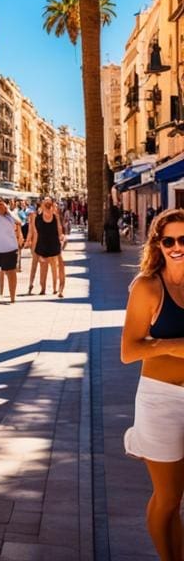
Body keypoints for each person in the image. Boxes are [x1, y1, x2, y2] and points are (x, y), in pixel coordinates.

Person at [121, 208, 184, 560]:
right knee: (169, 497)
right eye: (169, 240)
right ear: (158, 245)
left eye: (183, 239)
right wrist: (176, 347)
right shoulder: (147, 287)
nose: (177, 247)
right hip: (161, 401)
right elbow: (129, 351)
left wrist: (162, 347)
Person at [27, 197, 66, 297]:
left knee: (60, 266)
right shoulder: (38, 217)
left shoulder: (56, 216)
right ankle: (43, 289)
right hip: (43, 245)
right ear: (42, 205)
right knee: (43, 268)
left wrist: (61, 237)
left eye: (49, 202)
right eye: (45, 202)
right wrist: (31, 241)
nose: (48, 204)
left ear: (52, 205)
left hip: (54, 244)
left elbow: (60, 230)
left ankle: (60, 289)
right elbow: (36, 232)